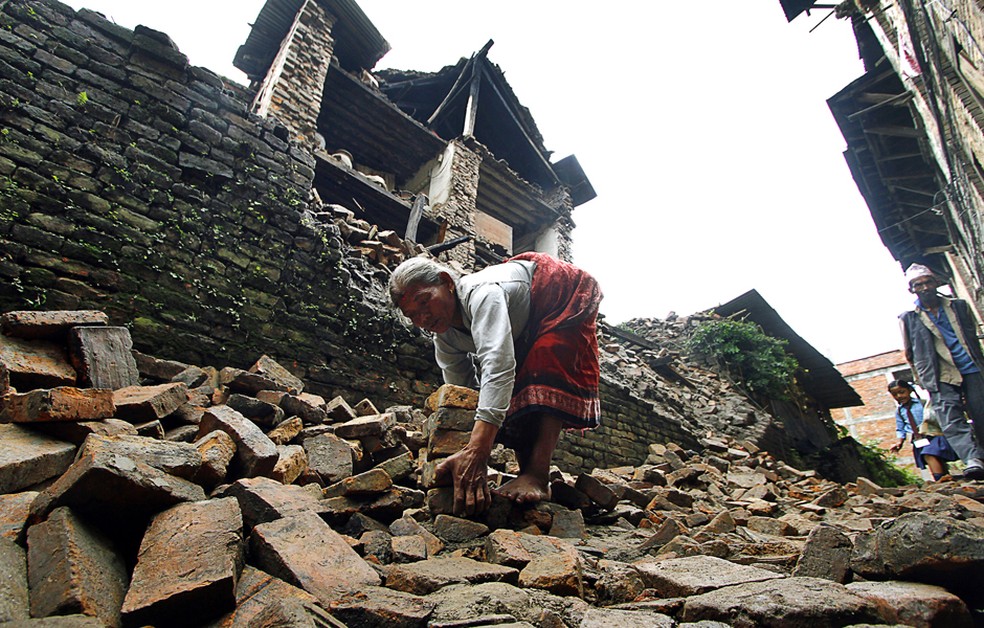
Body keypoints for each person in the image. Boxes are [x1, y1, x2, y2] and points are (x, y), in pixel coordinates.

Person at [389, 252, 603, 515]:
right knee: (511, 392)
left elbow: (498, 368)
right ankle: (525, 473)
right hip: (522, 319)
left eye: (425, 301)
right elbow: (464, 395)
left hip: (560, 292)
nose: (423, 318)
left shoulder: (483, 294)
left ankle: (537, 474)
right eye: (412, 315)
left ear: (447, 282)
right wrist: (461, 450)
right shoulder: (445, 338)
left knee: (545, 361)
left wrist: (479, 451)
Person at [899, 263, 984, 480]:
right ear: (912, 290)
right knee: (951, 418)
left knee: (981, 413)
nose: (925, 287)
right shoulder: (909, 318)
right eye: (919, 285)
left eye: (928, 282)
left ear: (937, 283)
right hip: (939, 375)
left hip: (971, 366)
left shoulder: (959, 307)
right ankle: (973, 460)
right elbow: (910, 352)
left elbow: (973, 334)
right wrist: (921, 378)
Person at [886, 379, 958, 481]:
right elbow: (901, 429)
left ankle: (940, 481)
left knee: (929, 454)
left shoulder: (923, 403)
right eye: (894, 394)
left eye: (902, 392)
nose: (899, 396)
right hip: (919, 439)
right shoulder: (899, 412)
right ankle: (946, 477)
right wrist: (899, 443)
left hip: (933, 434)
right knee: (933, 458)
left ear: (910, 390)